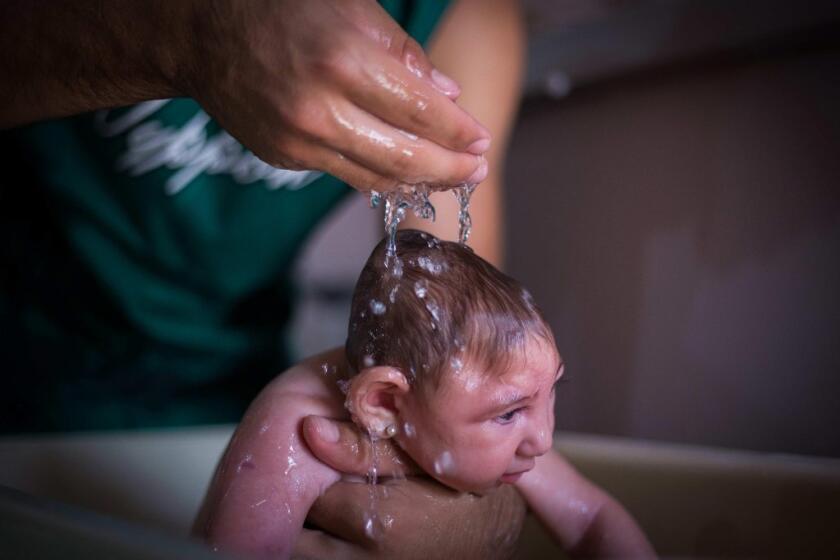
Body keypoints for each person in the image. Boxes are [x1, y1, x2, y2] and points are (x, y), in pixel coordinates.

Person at [0, 0, 527, 555]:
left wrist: (476, 500)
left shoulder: (464, 17)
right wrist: (193, 33)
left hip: (232, 406)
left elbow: (457, 350)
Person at [196, 230, 656, 559]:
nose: (543, 439)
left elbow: (592, 518)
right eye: (508, 414)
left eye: (551, 392)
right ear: (385, 403)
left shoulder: (467, 403)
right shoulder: (293, 430)